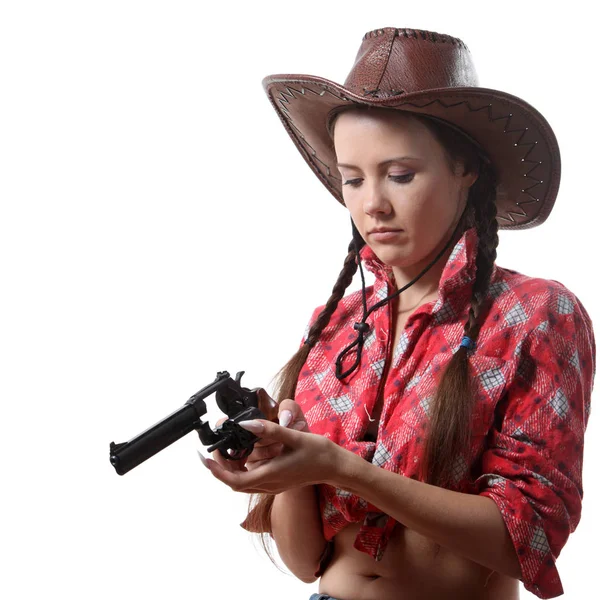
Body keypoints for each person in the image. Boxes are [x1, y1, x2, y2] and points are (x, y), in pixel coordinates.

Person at [198, 27, 596, 599]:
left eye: (401, 175)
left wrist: (341, 468)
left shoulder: (536, 315)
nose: (372, 204)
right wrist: (290, 467)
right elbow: (306, 559)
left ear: (467, 168)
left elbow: (527, 537)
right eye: (352, 179)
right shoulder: (337, 324)